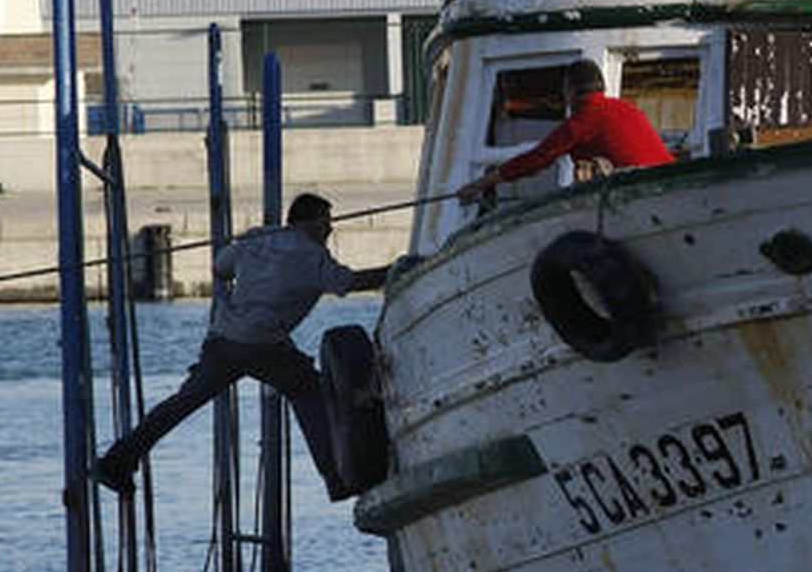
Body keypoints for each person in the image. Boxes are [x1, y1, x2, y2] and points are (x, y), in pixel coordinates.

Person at [94, 193, 389, 501]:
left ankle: (116, 461)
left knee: (181, 404)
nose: (330, 229)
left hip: (223, 341)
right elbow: (351, 282)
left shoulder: (259, 238)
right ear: (310, 222)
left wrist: (252, 256)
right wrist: (393, 269)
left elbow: (221, 268)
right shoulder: (312, 257)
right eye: (326, 221)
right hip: (264, 346)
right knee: (310, 394)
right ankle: (336, 478)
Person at [455, 59, 675, 202]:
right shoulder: (628, 109)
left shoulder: (581, 121)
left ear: (569, 92)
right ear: (602, 87)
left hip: (647, 194)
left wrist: (479, 184)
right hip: (670, 185)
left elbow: (536, 160)